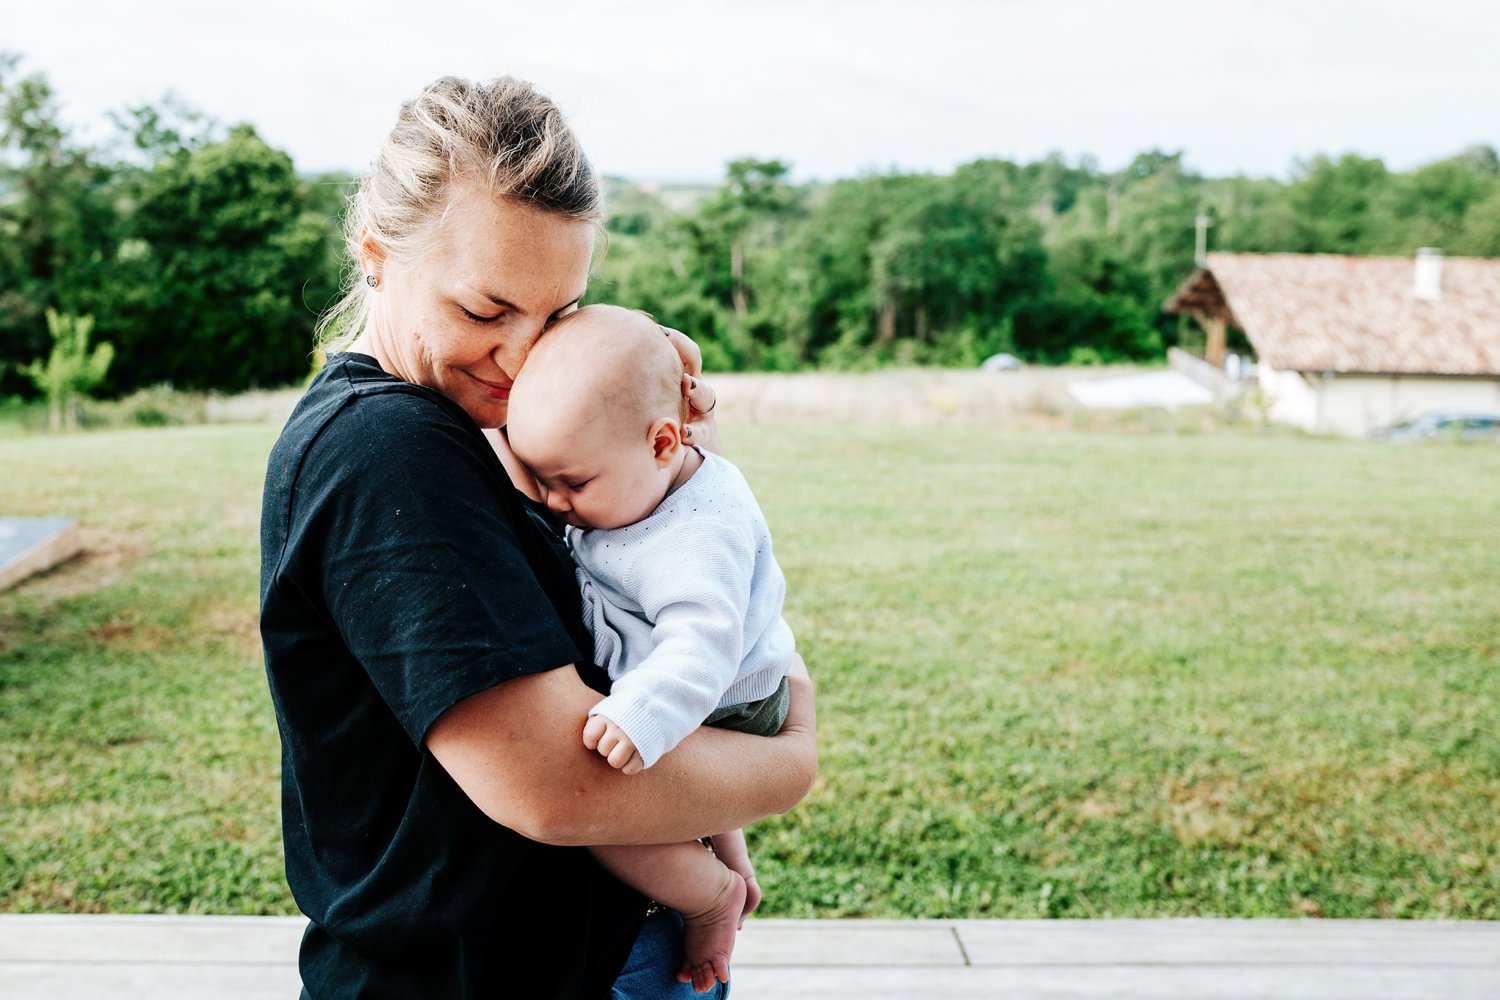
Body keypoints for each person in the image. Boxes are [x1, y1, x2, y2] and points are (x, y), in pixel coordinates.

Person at [258, 75, 817, 1000]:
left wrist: (662, 425)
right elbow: (558, 788)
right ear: (377, 256)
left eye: (555, 314)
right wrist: (789, 761)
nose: (522, 362)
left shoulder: (470, 426)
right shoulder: (384, 451)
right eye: (485, 312)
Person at [504, 305, 798, 992]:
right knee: (669, 792)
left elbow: (704, 643)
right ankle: (731, 860)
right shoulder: (636, 473)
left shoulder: (697, 535)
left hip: (720, 694)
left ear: (664, 443)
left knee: (600, 812)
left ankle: (710, 895)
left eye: (572, 483)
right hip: (692, 682)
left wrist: (643, 710)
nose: (555, 502)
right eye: (541, 479)